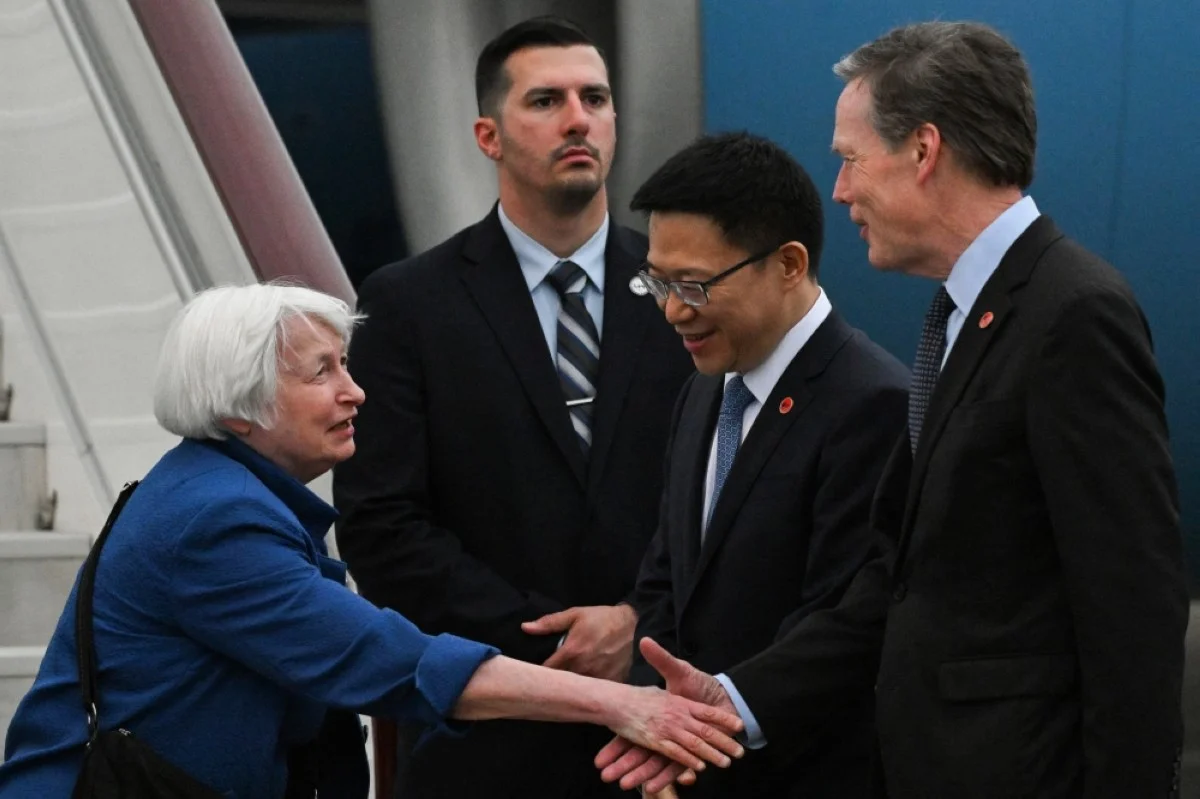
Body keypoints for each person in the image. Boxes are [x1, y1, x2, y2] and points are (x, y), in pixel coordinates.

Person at [598, 21, 1188, 799]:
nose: (838, 190)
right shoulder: (960, 318)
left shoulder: (1072, 313)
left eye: (849, 158)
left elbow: (1132, 607)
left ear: (924, 150)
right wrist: (737, 700)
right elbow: (897, 582)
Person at [0, 284, 743, 799]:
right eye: (323, 372)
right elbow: (392, 661)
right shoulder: (212, 521)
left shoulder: (218, 492)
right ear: (239, 404)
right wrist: (621, 703)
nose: (354, 392)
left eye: (345, 365)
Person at [331, 15, 694, 799]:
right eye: (546, 100)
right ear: (488, 136)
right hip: (486, 738)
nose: (577, 118)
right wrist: (553, 638)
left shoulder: (684, 293)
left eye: (595, 97)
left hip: (668, 731)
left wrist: (635, 622)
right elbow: (380, 525)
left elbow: (733, 494)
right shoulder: (408, 305)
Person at [612, 132, 907, 798]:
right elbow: (667, 575)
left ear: (789, 263)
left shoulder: (870, 403)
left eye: (693, 284)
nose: (672, 309)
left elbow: (844, 620)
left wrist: (717, 714)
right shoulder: (703, 388)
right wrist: (654, 712)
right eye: (658, 280)